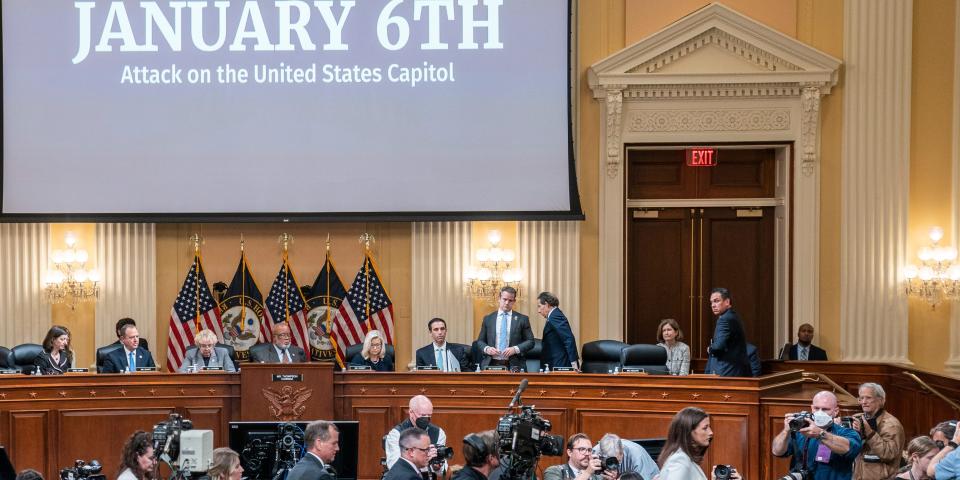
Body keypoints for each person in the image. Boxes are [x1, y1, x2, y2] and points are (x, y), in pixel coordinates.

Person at [772, 390, 863, 480]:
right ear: (812, 408)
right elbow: (777, 451)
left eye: (825, 409)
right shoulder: (800, 430)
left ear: (836, 411)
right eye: (816, 408)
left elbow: (848, 448)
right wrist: (785, 431)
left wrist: (820, 434)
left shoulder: (846, 432)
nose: (820, 412)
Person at [658, 407, 743, 480]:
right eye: (705, 428)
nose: (711, 432)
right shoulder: (680, 460)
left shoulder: (683, 457)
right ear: (689, 432)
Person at [851, 383, 904, 480]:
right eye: (861, 398)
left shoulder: (891, 424)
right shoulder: (858, 418)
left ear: (881, 400)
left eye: (868, 398)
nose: (864, 402)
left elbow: (889, 454)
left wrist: (870, 434)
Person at [476, 286, 535, 371]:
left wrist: (515, 349)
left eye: (510, 300)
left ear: (514, 301)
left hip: (514, 365)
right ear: (499, 299)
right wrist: (487, 349)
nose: (507, 303)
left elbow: (530, 342)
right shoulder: (488, 318)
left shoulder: (522, 319)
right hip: (491, 363)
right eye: (504, 299)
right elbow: (480, 341)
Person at [385, 395, 447, 473]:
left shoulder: (438, 433)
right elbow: (394, 466)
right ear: (411, 412)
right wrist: (424, 460)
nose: (426, 419)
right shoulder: (396, 434)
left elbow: (442, 471)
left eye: (429, 415)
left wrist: (437, 466)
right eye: (423, 415)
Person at [706, 288, 751, 377]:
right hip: (736, 370)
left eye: (716, 301)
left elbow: (718, 347)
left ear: (727, 301)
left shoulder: (724, 319)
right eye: (711, 302)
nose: (713, 305)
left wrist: (710, 349)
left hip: (727, 371)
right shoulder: (733, 316)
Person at [536, 292, 580, 371]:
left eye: (539, 306)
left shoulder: (555, 316)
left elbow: (568, 339)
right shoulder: (553, 315)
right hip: (554, 362)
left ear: (546, 304)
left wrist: (574, 363)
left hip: (560, 364)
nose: (538, 311)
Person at [596, 433, 660, 480]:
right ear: (601, 456)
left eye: (617, 461)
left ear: (622, 453)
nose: (613, 467)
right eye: (610, 462)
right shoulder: (594, 453)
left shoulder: (637, 457)